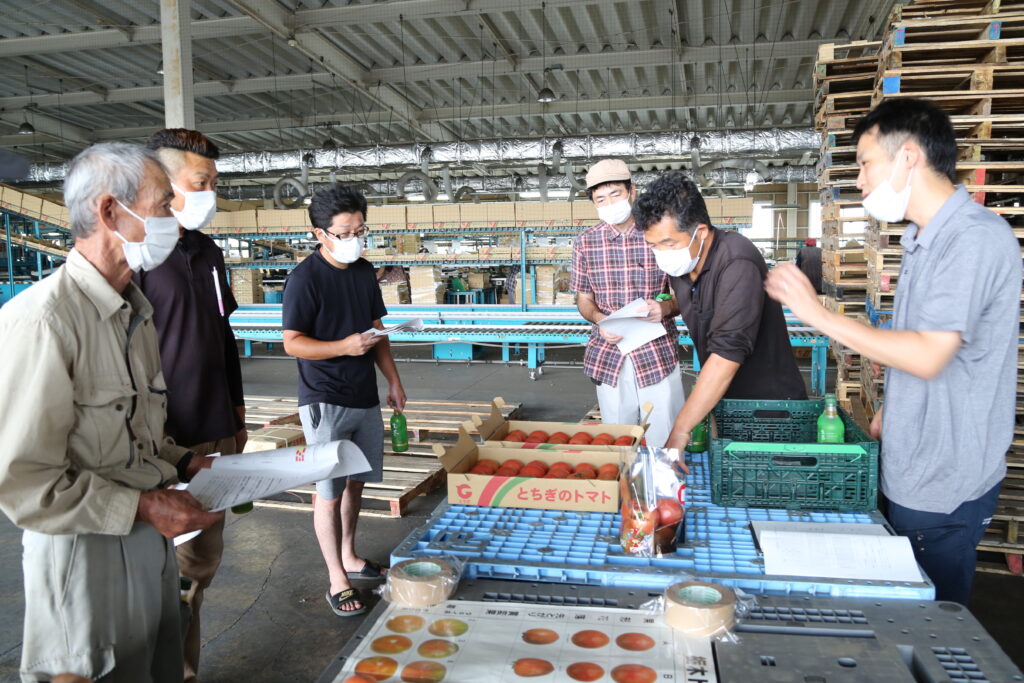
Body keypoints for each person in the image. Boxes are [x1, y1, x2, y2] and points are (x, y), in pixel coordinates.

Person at [765, 98, 1020, 605]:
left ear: (907, 157)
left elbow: (929, 355)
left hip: (942, 477)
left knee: (930, 621)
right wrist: (892, 404)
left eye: (864, 163)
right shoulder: (924, 238)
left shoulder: (971, 240)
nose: (858, 179)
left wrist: (818, 315)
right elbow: (920, 351)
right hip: (913, 454)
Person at [0, 142, 222, 682]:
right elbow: (24, 483)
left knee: (156, 667)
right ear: (109, 212)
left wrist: (189, 463)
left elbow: (135, 434)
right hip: (85, 560)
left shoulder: (133, 314)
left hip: (148, 548)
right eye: (163, 205)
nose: (174, 218)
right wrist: (145, 508)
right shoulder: (44, 322)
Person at [136, 128, 246, 683]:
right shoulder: (138, 255)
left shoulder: (208, 252)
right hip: (157, 444)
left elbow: (222, 337)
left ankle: (184, 672)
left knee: (195, 572)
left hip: (212, 438)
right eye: (201, 183)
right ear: (160, 184)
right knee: (147, 570)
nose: (209, 195)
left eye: (212, 184)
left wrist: (236, 416)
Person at [282, 184, 407, 616]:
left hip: (363, 396)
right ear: (321, 234)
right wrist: (342, 347)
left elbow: (377, 332)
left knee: (357, 481)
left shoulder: (362, 271)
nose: (354, 238)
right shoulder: (304, 279)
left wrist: (392, 380)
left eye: (360, 230)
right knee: (329, 490)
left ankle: (350, 556)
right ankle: (336, 578)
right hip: (324, 399)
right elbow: (292, 343)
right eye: (344, 232)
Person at [632, 171, 807, 452]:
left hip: (770, 409)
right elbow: (694, 303)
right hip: (725, 399)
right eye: (652, 245)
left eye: (668, 243)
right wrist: (665, 308)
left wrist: (681, 430)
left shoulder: (737, 260)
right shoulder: (683, 264)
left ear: (699, 232)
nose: (661, 253)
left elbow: (727, 351)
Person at [571, 159, 684, 447]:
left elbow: (683, 294)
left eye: (615, 194)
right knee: (619, 439)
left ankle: (666, 489)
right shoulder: (585, 243)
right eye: (601, 199)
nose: (609, 203)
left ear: (631, 191)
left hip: (656, 353)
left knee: (665, 437)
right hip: (610, 353)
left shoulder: (659, 233)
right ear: (594, 203)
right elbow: (584, 299)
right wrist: (599, 320)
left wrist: (665, 308)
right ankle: (626, 490)